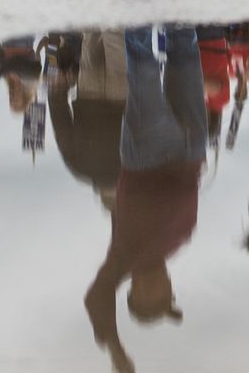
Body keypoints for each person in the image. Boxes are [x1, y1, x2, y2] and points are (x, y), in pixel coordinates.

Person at [83, 25, 207, 373]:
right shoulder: (173, 248)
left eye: (156, 298)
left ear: (135, 292)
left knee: (144, 63)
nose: (165, 288)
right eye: (168, 295)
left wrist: (116, 351)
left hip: (148, 154)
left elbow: (95, 300)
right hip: (191, 148)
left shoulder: (126, 259)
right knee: (185, 49)